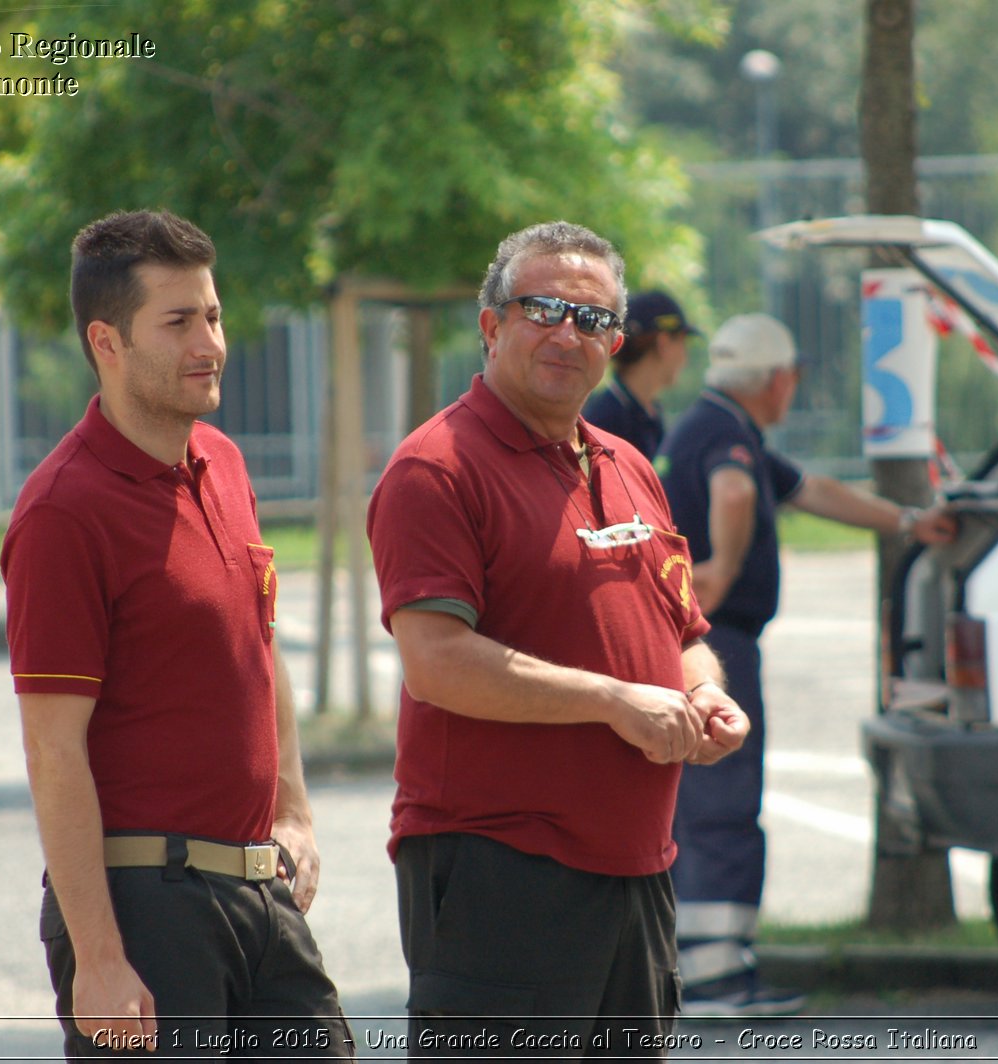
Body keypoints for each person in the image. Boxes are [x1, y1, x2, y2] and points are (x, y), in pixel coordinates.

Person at [366, 220, 751, 1056]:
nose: (565, 333)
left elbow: (681, 627)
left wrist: (702, 690)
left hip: (638, 872)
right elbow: (435, 665)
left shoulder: (627, 464)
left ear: (615, 342)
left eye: (592, 319)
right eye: (541, 308)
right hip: (502, 869)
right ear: (491, 324)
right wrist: (614, 702)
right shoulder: (438, 469)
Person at [1, 210, 353, 1060]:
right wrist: (100, 958)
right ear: (107, 342)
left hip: (258, 897)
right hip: (145, 910)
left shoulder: (223, 465)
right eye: (179, 321)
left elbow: (259, 652)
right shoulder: (63, 514)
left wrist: (295, 813)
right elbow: (54, 752)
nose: (212, 343)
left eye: (215, 315)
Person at [657, 313, 955, 1015]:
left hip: (703, 638)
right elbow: (733, 490)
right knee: (725, 801)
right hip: (717, 642)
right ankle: (717, 977)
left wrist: (908, 521)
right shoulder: (729, 438)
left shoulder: (714, 424)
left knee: (703, 801)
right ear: (776, 380)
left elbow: (815, 490)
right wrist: (724, 568)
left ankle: (697, 968)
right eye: (791, 379)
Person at [581, 290, 700, 459]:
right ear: (663, 343)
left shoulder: (651, 414)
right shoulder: (604, 420)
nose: (685, 358)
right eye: (682, 343)